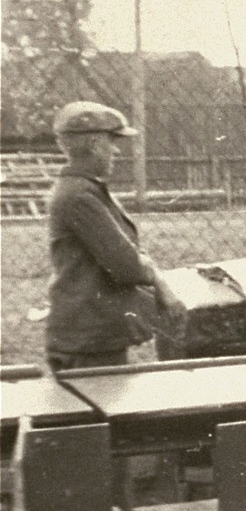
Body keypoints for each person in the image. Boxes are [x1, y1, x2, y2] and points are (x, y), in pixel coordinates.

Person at [44, 102, 159, 372]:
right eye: (112, 141)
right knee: (98, 411)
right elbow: (127, 266)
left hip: (88, 333)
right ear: (95, 144)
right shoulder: (79, 195)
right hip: (88, 339)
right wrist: (158, 278)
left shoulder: (83, 189)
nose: (116, 150)